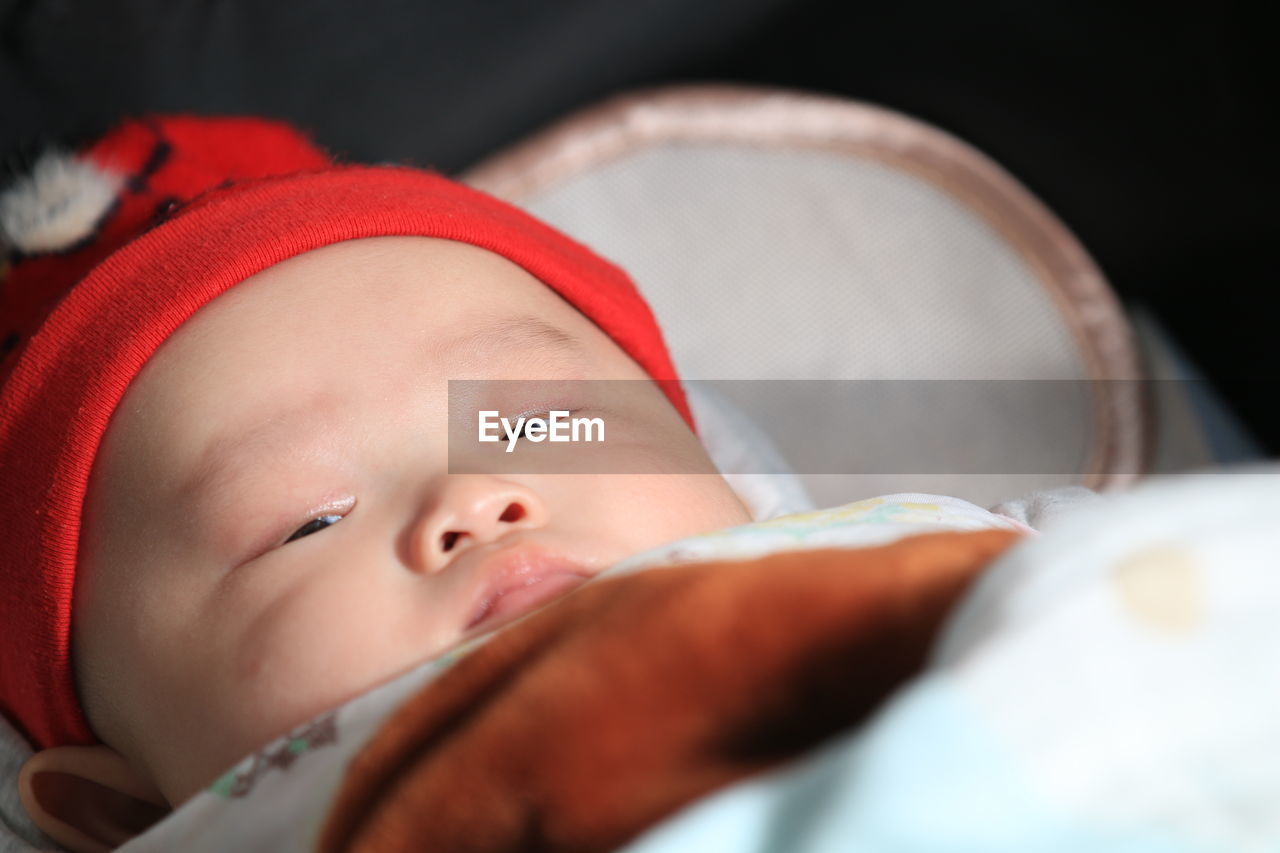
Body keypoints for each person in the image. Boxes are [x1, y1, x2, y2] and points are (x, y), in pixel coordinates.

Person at [0, 115, 1025, 851]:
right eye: (306, 521)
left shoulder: (923, 562)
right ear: (130, 815)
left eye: (540, 424)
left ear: (727, 479)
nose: (475, 500)